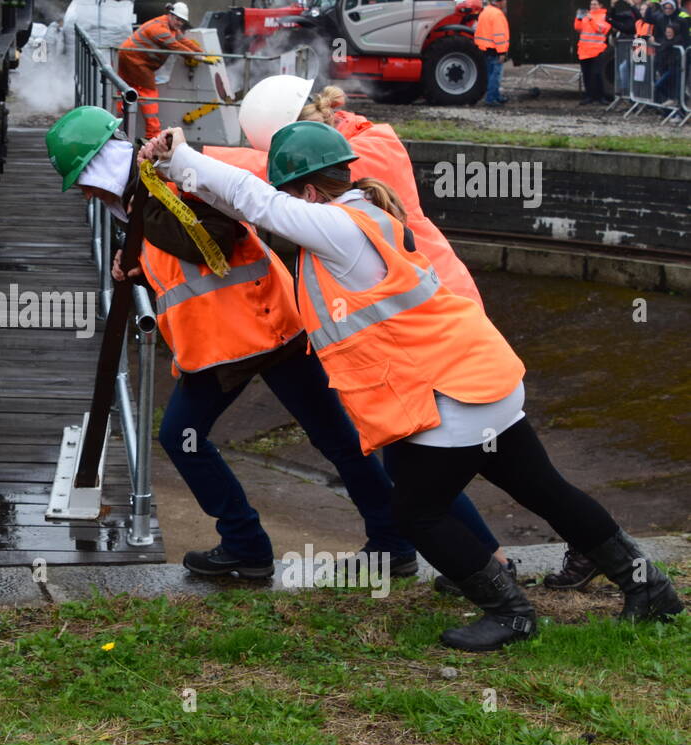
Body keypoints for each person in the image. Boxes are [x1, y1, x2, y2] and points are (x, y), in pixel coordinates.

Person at [140, 121, 684, 651]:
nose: (288, 210)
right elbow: (255, 206)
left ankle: (510, 613)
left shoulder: (338, 230)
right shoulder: (367, 214)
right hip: (483, 375)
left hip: (451, 395)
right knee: (546, 489)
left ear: (307, 190)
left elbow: (257, 202)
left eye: (292, 196)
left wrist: (180, 158)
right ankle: (650, 588)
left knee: (416, 515)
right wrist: (184, 171)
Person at [211, 80, 515, 593]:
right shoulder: (366, 139)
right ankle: (476, 556)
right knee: (431, 456)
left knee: (427, 457)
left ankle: (491, 565)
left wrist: (192, 159)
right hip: (416, 310)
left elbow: (262, 186)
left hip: (423, 317)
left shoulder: (367, 154)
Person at [117, 2, 212, 137]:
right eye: (178, 19)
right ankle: (152, 133)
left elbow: (184, 41)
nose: (179, 23)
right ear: (171, 15)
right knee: (149, 93)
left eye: (182, 21)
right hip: (135, 61)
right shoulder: (159, 29)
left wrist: (203, 53)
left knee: (125, 90)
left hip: (131, 58)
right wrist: (199, 58)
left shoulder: (170, 27)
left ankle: (116, 124)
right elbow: (176, 46)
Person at [474, 0, 510, 106]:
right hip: (495, 50)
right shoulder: (497, 15)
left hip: (485, 49)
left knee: (490, 75)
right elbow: (499, 35)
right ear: (500, 1)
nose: (506, 3)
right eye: (505, 1)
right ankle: (491, 99)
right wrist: (502, 52)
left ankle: (496, 96)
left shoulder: (485, 12)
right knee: (495, 76)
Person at [575, 0, 611, 105]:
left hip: (597, 50)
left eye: (595, 4)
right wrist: (578, 18)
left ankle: (600, 97)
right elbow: (578, 28)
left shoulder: (604, 16)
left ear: (600, 6)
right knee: (586, 74)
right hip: (584, 50)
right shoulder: (586, 16)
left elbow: (602, 29)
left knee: (597, 74)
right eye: (591, 4)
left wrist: (591, 19)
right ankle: (589, 96)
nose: (592, 6)